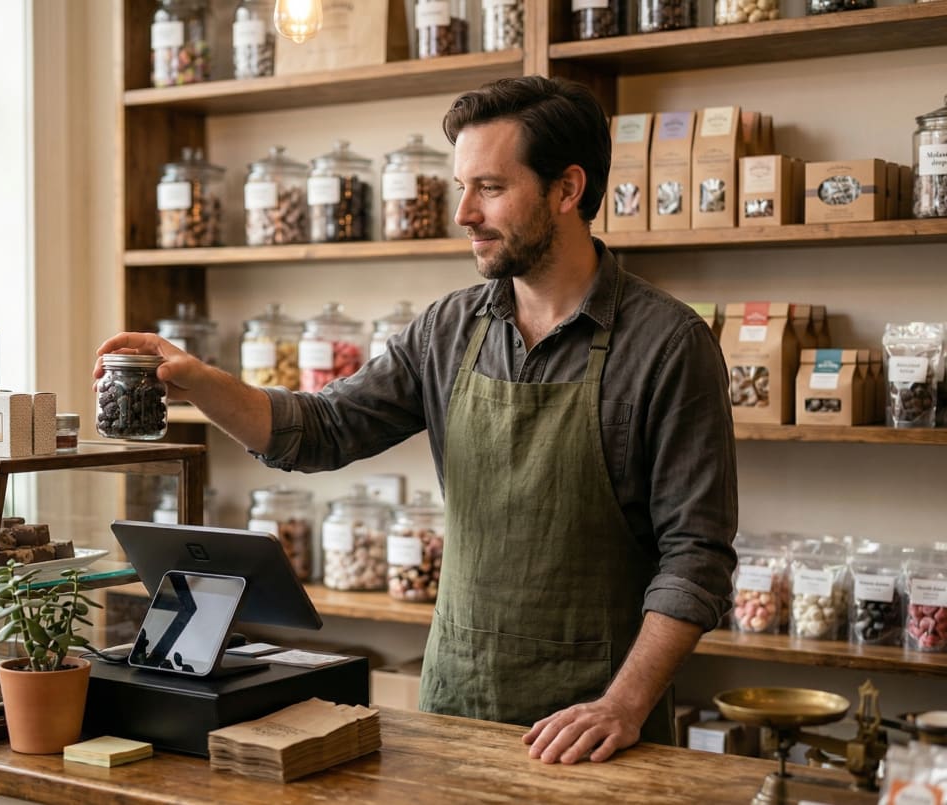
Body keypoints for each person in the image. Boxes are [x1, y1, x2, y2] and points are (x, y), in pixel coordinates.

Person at [95, 75, 738, 765]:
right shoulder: (449, 328)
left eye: (489, 187)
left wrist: (624, 703)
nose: (462, 212)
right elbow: (319, 429)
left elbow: (695, 559)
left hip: (595, 732)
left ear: (567, 189)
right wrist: (197, 381)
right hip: (454, 708)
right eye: (461, 185)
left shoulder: (668, 345)